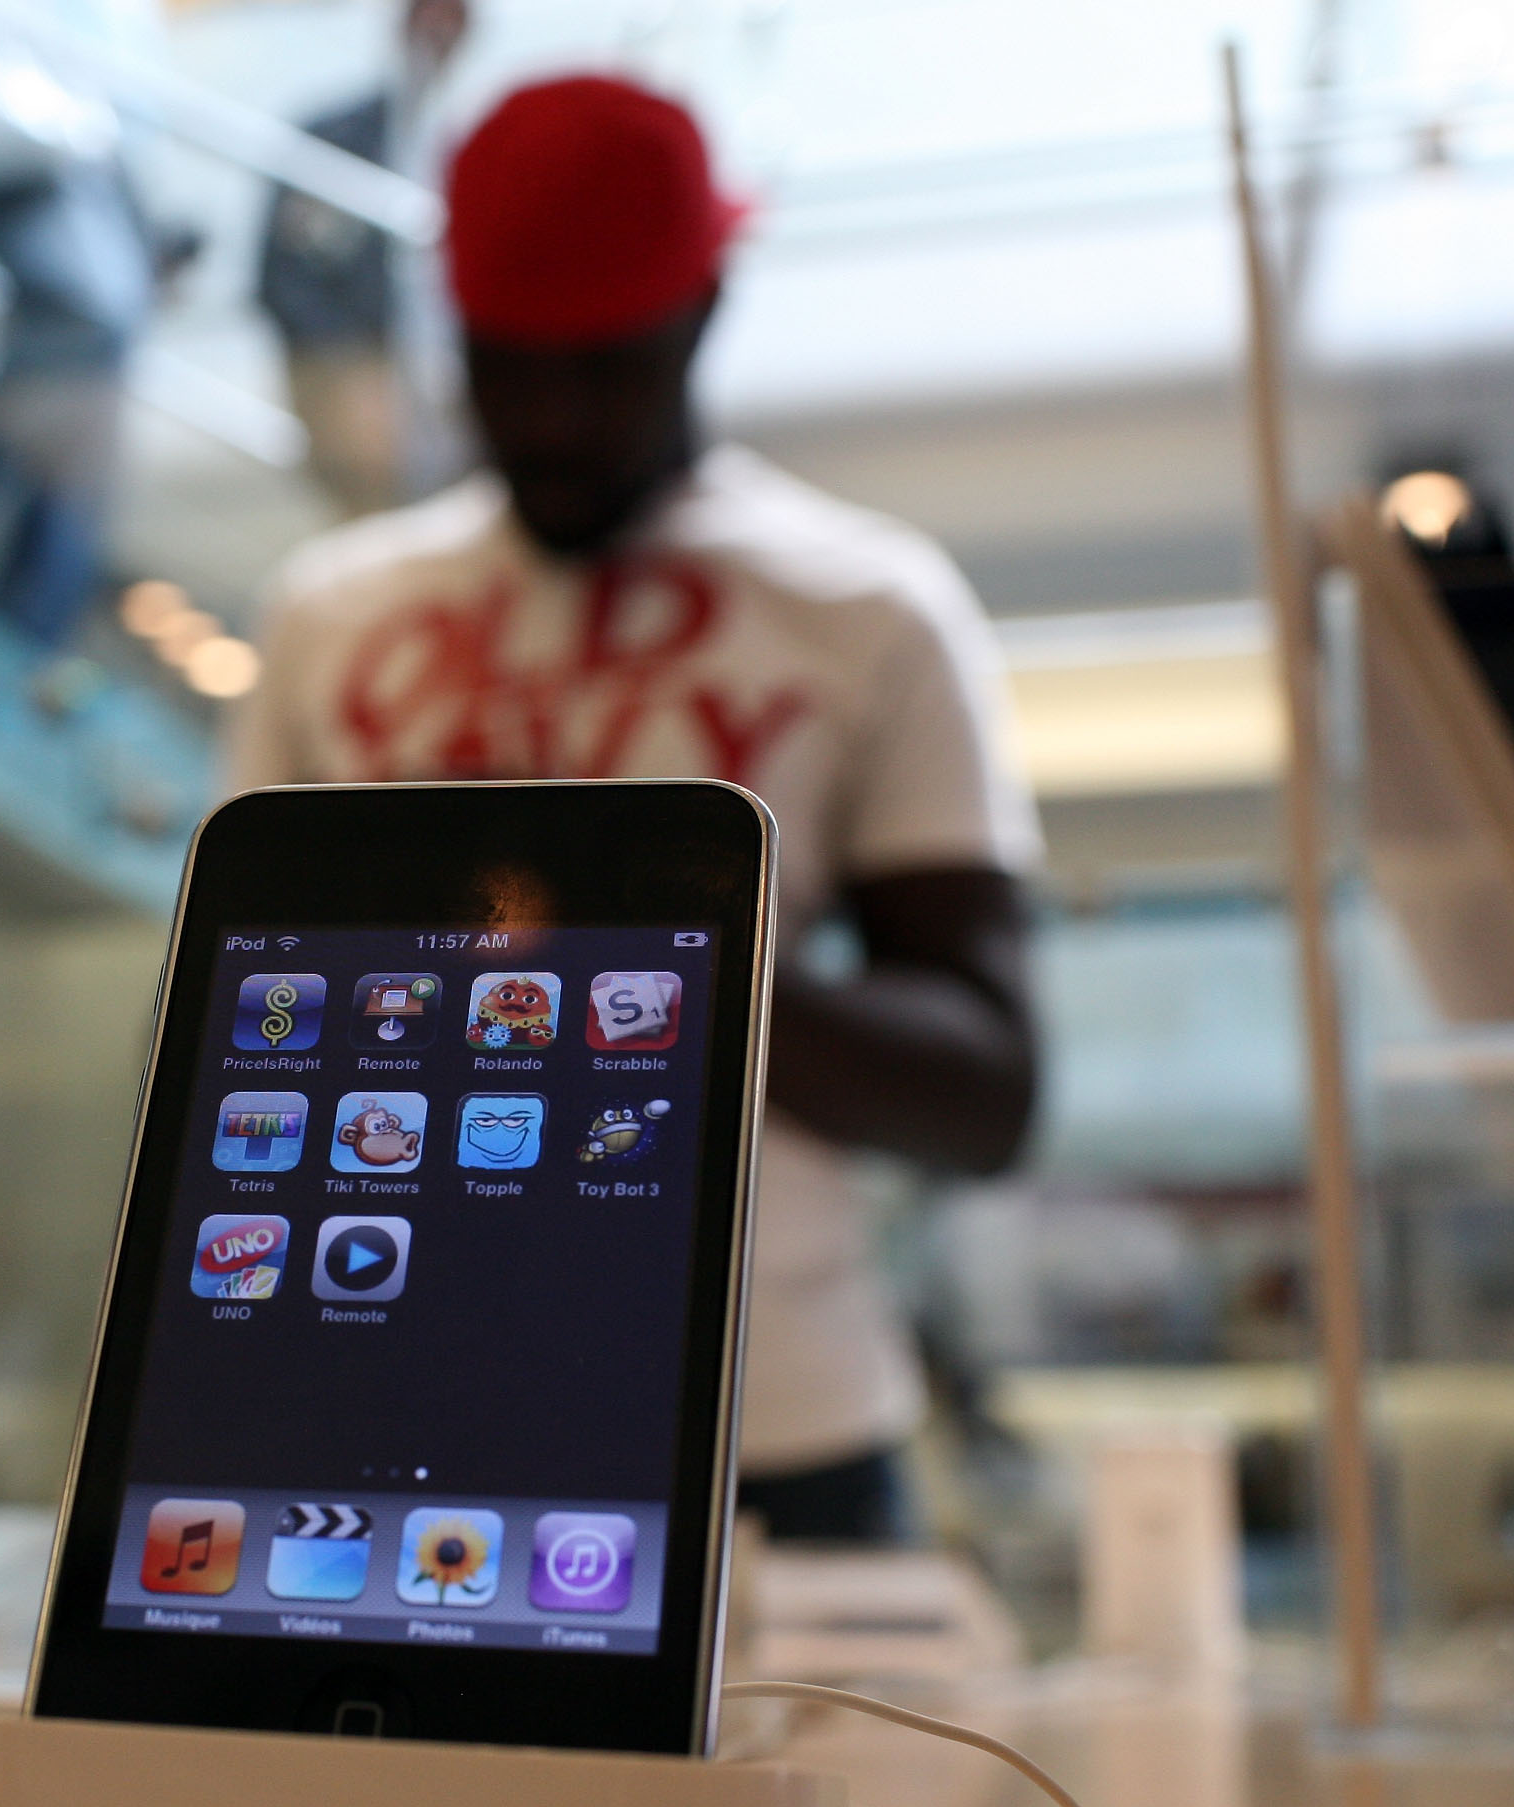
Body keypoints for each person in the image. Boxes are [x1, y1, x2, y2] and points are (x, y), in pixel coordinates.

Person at [225, 76, 1041, 1544]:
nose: (550, 422)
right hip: (382, 1406)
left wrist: (637, 951)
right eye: (504, 368)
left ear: (706, 309)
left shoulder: (868, 610)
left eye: (602, 368)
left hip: (773, 1434)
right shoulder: (326, 618)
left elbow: (987, 1089)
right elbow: (235, 1045)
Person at [256, 0, 470, 514]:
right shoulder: (335, 139)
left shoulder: (476, 136)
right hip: (361, 374)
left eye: (453, 14)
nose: (437, 29)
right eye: (426, 12)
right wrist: (351, 368)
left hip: (457, 376)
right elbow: (282, 280)